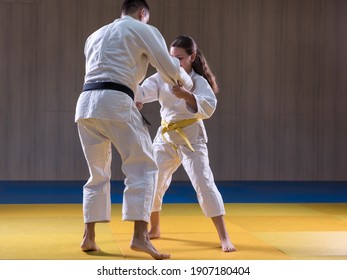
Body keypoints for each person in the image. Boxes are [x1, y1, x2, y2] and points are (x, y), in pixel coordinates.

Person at [74, 0, 193, 260]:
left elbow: (105, 69)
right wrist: (187, 83)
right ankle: (140, 237)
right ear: (143, 13)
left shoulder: (95, 35)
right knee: (144, 167)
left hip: (85, 105)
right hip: (116, 102)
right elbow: (169, 68)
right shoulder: (143, 29)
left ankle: (89, 236)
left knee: (97, 174)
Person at [136, 35, 236, 252]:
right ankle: (155, 229)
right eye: (171, 58)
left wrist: (186, 95)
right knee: (153, 180)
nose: (174, 64)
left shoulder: (198, 82)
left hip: (192, 138)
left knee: (204, 183)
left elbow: (209, 106)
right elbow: (142, 91)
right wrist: (137, 98)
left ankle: (224, 237)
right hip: (166, 137)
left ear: (192, 57)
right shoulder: (162, 77)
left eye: (179, 58)